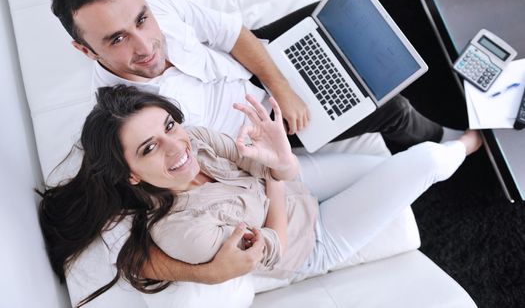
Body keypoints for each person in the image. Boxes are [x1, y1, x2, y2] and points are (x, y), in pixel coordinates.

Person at [48, 0, 461, 288]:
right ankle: (451, 135)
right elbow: (127, 243)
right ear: (84, 50)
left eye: (142, 19)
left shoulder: (158, 5)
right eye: (116, 39)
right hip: (262, 136)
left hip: (257, 77)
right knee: (389, 106)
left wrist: (280, 85)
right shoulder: (124, 119)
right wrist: (206, 273)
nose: (145, 45)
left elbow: (233, 34)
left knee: (344, 16)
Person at [39, 85, 481, 306]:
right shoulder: (181, 231)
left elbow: (261, 163)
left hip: (296, 190)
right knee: (424, 162)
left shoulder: (191, 138)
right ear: (131, 175)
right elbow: (275, 248)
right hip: (312, 242)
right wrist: (275, 173)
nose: (176, 148)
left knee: (385, 168)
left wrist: (278, 159)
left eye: (167, 127)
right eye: (149, 148)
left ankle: (458, 141)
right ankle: (477, 139)